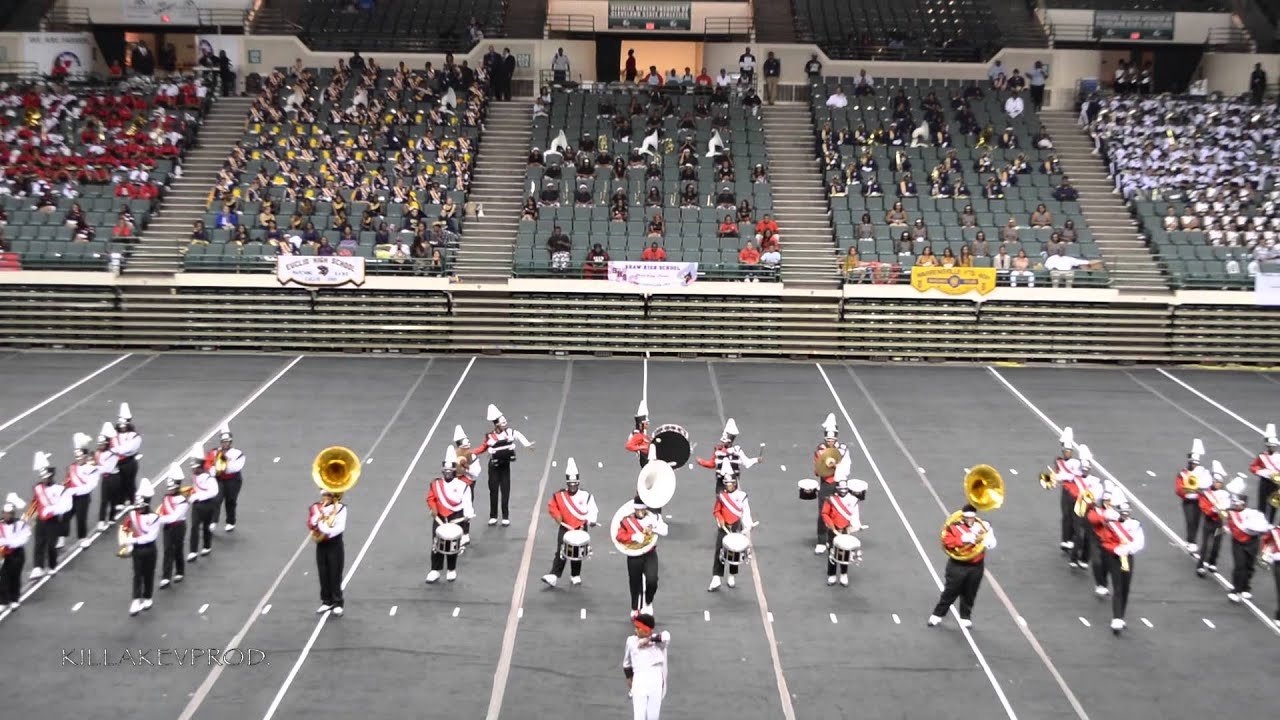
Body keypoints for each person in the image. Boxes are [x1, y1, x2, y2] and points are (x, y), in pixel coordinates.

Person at [928, 504, 996, 628]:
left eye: (972, 518)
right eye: (967, 518)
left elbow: (992, 544)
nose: (970, 521)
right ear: (963, 517)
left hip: (976, 565)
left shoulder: (982, 526)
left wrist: (988, 537)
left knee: (970, 591)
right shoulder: (954, 528)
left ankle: (965, 617)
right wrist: (965, 538)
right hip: (957, 565)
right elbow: (947, 542)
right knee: (951, 591)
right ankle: (937, 615)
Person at [473, 404, 535, 526]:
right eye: (502, 421)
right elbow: (482, 448)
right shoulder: (490, 436)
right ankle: (493, 516)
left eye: (504, 420)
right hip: (493, 467)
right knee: (493, 490)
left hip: (505, 466)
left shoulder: (510, 432)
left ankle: (505, 516)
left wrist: (527, 444)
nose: (505, 422)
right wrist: (469, 453)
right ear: (496, 424)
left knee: (505, 490)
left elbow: (519, 435)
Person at [541, 458, 599, 588]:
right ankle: (554, 575)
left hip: (580, 527)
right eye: (570, 484)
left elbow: (592, 509)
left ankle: (575, 574)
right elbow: (552, 506)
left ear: (578, 483)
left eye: (575, 484)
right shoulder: (559, 495)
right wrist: (558, 517)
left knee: (577, 552)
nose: (573, 486)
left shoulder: (586, 495)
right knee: (561, 551)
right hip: (565, 527)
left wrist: (592, 520)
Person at [426, 447, 475, 583]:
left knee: (453, 545)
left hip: (455, 516)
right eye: (445, 472)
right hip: (440, 517)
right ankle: (435, 570)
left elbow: (467, 500)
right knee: (436, 544)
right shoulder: (436, 484)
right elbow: (430, 498)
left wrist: (468, 514)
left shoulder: (462, 485)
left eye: (450, 472)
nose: (447, 474)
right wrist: (433, 508)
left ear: (454, 472)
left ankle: (451, 569)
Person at [617, 497, 667, 616]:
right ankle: (635, 608)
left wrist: (654, 527)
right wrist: (633, 537)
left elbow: (665, 531)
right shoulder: (626, 521)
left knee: (652, 580)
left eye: (643, 510)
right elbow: (619, 536)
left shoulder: (653, 518)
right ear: (634, 509)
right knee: (635, 582)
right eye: (638, 510)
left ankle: (648, 602)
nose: (641, 513)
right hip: (634, 555)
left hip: (650, 552)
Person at [708, 459, 754, 591]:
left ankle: (732, 575)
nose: (728, 486)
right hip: (724, 526)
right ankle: (716, 577)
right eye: (726, 484)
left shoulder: (742, 496)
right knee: (719, 550)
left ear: (735, 484)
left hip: (736, 526)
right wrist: (720, 519)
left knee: (735, 550)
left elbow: (746, 511)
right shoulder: (721, 496)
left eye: (730, 484)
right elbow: (716, 510)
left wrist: (748, 525)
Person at [1224, 479, 1271, 603]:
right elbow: (1223, 503)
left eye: (1238, 503)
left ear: (1243, 504)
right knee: (1239, 566)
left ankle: (1246, 587)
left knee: (1249, 566)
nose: (1235, 505)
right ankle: (1235, 590)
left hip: (1252, 542)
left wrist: (1251, 525)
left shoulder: (1254, 513)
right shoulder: (1231, 513)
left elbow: (1263, 527)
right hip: (1238, 542)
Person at [812, 413, 851, 554]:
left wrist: (837, 467)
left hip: (840, 483)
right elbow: (818, 469)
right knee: (824, 512)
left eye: (832, 439)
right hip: (826, 484)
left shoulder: (843, 449)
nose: (830, 441)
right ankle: (821, 541)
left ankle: (835, 539)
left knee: (840, 512)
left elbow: (847, 466)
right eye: (828, 439)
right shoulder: (820, 449)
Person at [122, 478, 160, 616]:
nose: (139, 508)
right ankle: (136, 599)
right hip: (137, 549)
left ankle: (148, 597)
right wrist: (126, 540)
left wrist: (133, 540)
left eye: (141, 505)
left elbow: (150, 537)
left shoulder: (154, 517)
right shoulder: (133, 514)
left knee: (148, 574)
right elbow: (126, 526)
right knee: (137, 575)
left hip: (149, 548)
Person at [821, 479, 868, 586]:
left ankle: (843, 574)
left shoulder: (853, 500)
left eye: (845, 489)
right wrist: (832, 528)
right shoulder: (830, 499)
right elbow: (825, 514)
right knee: (832, 554)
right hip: (833, 530)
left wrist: (855, 526)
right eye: (841, 489)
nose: (843, 491)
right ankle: (831, 575)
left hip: (846, 530)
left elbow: (854, 516)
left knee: (846, 552)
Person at [623, 613, 669, 720]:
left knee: (653, 716)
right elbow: (627, 663)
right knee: (639, 716)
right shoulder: (631, 641)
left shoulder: (659, 643)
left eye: (638, 628)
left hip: (655, 681)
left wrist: (649, 639)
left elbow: (666, 636)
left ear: (646, 629)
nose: (635, 630)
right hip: (639, 681)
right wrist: (629, 679)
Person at [308, 487, 347, 615]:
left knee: (335, 572)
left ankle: (337, 602)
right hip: (322, 544)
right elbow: (311, 522)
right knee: (323, 572)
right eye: (324, 495)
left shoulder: (341, 508)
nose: (326, 497)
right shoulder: (317, 507)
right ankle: (326, 601)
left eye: (329, 495)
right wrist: (319, 519)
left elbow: (339, 528)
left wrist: (324, 528)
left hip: (334, 544)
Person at [28, 452, 67, 579]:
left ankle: (52, 566)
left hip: (53, 520)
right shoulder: (38, 488)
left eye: (45, 477)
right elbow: (35, 503)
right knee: (39, 543)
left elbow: (62, 505)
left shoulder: (58, 488)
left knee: (51, 544)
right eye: (42, 477)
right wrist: (29, 516)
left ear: (50, 477)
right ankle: (37, 567)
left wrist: (54, 510)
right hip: (41, 520)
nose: (43, 479)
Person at [695, 418, 761, 493]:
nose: (722, 442)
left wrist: (756, 460)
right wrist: (701, 462)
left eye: (724, 441)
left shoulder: (737, 450)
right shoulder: (718, 451)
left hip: (733, 483)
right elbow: (712, 464)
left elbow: (746, 462)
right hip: (721, 483)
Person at [206, 424, 246, 532]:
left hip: (233, 480)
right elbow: (208, 464)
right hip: (219, 479)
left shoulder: (237, 453)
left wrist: (221, 466)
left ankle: (230, 521)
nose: (225, 444)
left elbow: (235, 467)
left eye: (227, 442)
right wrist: (214, 470)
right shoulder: (214, 452)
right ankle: (213, 521)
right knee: (216, 499)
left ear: (230, 442)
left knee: (231, 500)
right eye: (224, 442)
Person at [1195, 461, 1231, 577]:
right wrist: (1215, 509)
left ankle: (1212, 562)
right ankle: (1200, 566)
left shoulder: (1225, 494)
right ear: (1213, 482)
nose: (1218, 484)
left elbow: (1228, 508)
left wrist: (1226, 507)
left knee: (1217, 544)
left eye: (1220, 482)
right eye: (1216, 482)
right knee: (1205, 545)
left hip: (1219, 523)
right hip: (1209, 522)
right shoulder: (1206, 494)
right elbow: (1204, 508)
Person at [64, 433, 99, 548]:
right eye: (77, 457)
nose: (78, 459)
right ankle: (60, 537)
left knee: (81, 517)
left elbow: (90, 486)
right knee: (65, 516)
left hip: (83, 497)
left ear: (85, 457)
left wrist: (75, 491)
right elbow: (68, 481)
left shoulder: (91, 469)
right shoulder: (71, 467)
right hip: (71, 496)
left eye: (80, 457)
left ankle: (82, 538)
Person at [1174, 440, 1209, 551]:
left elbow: (1207, 485)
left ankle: (1192, 540)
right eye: (1193, 463)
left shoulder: (1203, 472)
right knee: (1190, 520)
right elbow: (1179, 489)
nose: (1195, 465)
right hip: (1188, 501)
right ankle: (1191, 540)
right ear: (1189, 462)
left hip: (1199, 501)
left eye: (1196, 463)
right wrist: (1190, 490)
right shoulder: (1183, 474)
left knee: (1196, 521)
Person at [156, 469, 189, 589]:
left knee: (178, 549)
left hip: (178, 527)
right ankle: (166, 576)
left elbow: (175, 517)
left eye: (172, 488)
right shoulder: (166, 498)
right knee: (167, 550)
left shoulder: (182, 501)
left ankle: (180, 571)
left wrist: (158, 519)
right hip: (168, 527)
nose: (169, 490)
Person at [185, 446, 219, 562]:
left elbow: (214, 492)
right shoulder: (195, 475)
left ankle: (207, 546)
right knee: (194, 527)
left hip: (208, 505)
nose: (193, 470)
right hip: (197, 506)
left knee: (206, 526)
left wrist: (197, 496)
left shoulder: (209, 477)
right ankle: (193, 551)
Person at [0, 494, 31, 609]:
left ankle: (14, 599)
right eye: (5, 513)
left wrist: (8, 542)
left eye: (9, 514)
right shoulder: (0, 525)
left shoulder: (20, 524)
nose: (6, 515)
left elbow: (24, 538)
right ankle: (3, 600)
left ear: (13, 514)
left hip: (17, 554)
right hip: (4, 554)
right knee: (3, 577)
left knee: (15, 576)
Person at [111, 403, 142, 506]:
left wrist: (116, 450)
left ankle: (132, 500)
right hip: (117, 461)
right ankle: (121, 500)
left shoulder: (134, 435)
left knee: (129, 482)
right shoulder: (114, 434)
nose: (122, 427)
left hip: (129, 461)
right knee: (119, 482)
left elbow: (129, 448)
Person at [1248, 423, 1279, 522]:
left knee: (1274, 505)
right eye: (1270, 446)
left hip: (1276, 484)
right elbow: (1252, 467)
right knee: (1262, 506)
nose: (1272, 448)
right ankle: (1261, 524)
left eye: (1274, 446)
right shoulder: (1262, 456)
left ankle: (1270, 524)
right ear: (1268, 447)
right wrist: (1263, 472)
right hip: (1265, 482)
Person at [93, 423, 120, 529]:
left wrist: (95, 469)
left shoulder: (112, 453)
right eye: (99, 444)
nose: (100, 446)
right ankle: (101, 520)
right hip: (106, 477)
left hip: (114, 477)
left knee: (113, 498)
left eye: (102, 444)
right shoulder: (97, 453)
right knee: (104, 499)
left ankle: (112, 517)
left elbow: (108, 468)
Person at [626, 400, 652, 468]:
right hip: (645, 462)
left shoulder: (644, 435)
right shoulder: (638, 435)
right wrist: (641, 447)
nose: (648, 424)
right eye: (646, 423)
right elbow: (629, 446)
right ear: (641, 424)